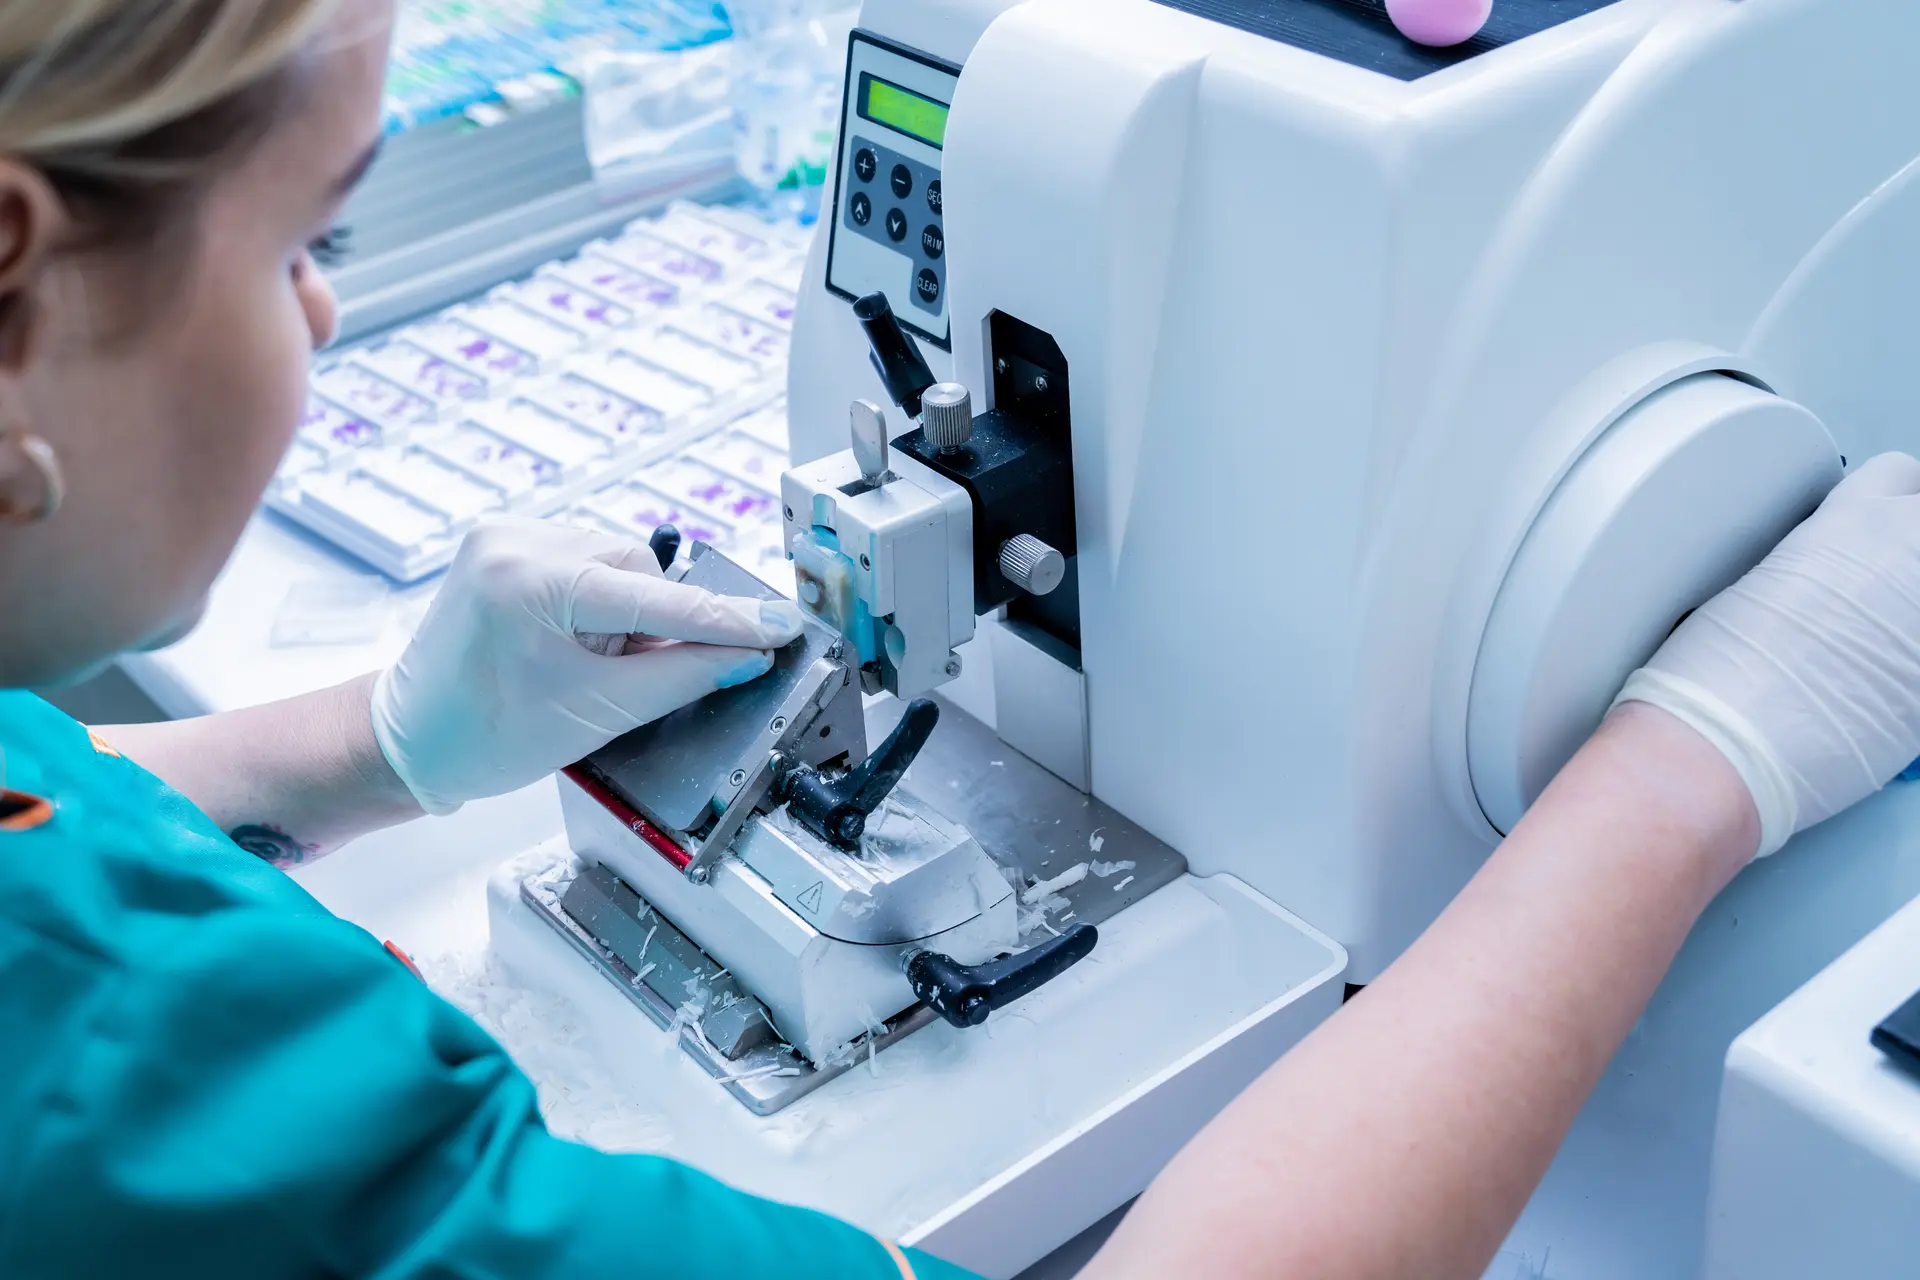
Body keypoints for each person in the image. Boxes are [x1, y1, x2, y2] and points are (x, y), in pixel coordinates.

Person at [5, 3, 1920, 1278]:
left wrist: (358, 749)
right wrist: (1693, 766)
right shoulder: (151, 1071)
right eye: (293, 251)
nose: (323, 320)